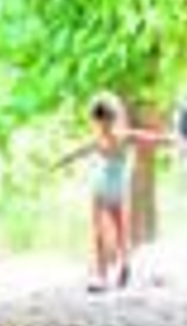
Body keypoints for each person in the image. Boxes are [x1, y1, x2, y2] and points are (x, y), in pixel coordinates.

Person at [58, 94, 170, 291]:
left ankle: (124, 264)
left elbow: (150, 139)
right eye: (100, 122)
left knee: (120, 232)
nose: (103, 126)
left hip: (116, 190)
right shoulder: (101, 139)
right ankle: (101, 276)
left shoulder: (124, 136)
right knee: (98, 233)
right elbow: (77, 152)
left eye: (106, 121)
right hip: (101, 188)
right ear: (96, 122)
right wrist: (60, 162)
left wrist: (174, 140)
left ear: (112, 119)